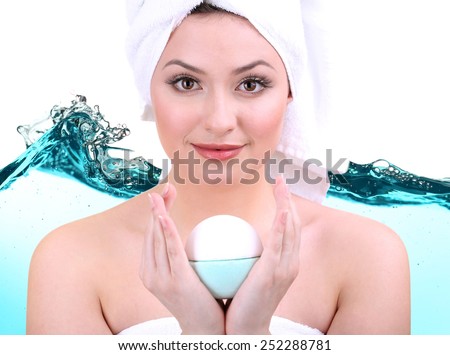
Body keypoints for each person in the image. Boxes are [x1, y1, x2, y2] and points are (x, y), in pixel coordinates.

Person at [26, 0, 410, 335]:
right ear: (149, 89)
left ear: (290, 92)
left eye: (252, 84)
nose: (220, 120)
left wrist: (249, 334)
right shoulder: (70, 261)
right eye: (187, 82)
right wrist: (200, 331)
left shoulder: (367, 257)